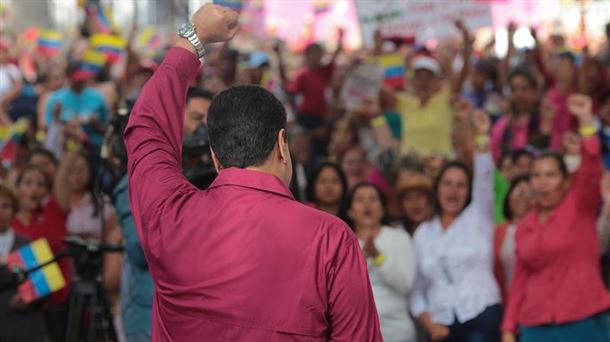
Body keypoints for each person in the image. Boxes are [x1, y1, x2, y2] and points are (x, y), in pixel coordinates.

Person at [123, 4, 381, 340]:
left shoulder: (170, 217)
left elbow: (146, 131)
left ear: (216, 157)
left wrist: (194, 37)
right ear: (282, 144)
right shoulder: (331, 239)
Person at [501, 94, 610, 342]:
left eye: (550, 175)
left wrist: (585, 120)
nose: (542, 182)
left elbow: (591, 166)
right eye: (536, 175)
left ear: (564, 181)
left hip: (583, 319)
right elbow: (520, 279)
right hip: (535, 325)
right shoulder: (525, 226)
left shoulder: (580, 205)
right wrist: (508, 327)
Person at [410, 109, 502, 342]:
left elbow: (484, 177)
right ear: (437, 188)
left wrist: (481, 137)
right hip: (441, 324)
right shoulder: (423, 232)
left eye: (461, 185)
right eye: (448, 184)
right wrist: (429, 325)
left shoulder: (478, 215)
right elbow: (416, 290)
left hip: (481, 312)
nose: (453, 191)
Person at [343, 183, 416, 342]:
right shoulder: (343, 242)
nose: (367, 204)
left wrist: (378, 257)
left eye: (373, 199)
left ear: (383, 209)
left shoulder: (399, 238)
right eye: (360, 199)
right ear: (350, 211)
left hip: (397, 332)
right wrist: (360, 260)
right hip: (356, 333)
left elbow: (405, 284)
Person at [0, 185, 46, 342]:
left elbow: (44, 281)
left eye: (5, 205)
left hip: (23, 326)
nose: (0, 211)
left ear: (14, 210)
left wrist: (27, 296)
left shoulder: (27, 244)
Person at [493, 175, 532, 304]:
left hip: (534, 302)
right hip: (504, 302)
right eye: (518, 191)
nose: (522, 197)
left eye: (529, 193)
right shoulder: (497, 231)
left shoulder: (542, 230)